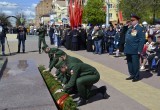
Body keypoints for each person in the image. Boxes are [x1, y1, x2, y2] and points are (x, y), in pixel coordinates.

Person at [124, 14, 145, 82]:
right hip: (128, 48)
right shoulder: (130, 28)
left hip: (135, 49)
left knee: (135, 63)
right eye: (131, 20)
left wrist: (139, 50)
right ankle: (132, 74)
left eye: (133, 20)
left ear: (137, 20)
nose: (131, 21)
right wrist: (125, 26)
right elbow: (126, 35)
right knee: (129, 63)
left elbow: (142, 40)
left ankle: (136, 76)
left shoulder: (140, 28)